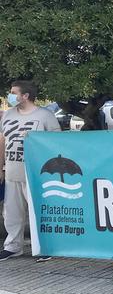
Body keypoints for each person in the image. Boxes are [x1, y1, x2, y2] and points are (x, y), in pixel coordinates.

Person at [0, 80, 61, 261]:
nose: (10, 96)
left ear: (25, 96)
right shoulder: (8, 115)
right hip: (12, 170)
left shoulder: (45, 116)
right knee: (11, 212)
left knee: (39, 211)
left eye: (13, 92)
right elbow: (2, 141)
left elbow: (55, 143)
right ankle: (12, 246)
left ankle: (45, 246)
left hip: (35, 173)